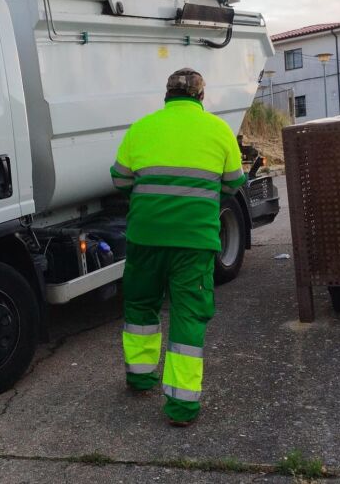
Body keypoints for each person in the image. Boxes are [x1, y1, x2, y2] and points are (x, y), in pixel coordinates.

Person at [110, 68, 247, 427]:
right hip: (194, 242)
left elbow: (120, 179)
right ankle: (181, 407)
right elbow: (233, 182)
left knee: (141, 304)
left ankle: (140, 377)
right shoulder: (218, 130)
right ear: (201, 96)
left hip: (145, 237)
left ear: (167, 95)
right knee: (188, 315)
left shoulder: (141, 128)